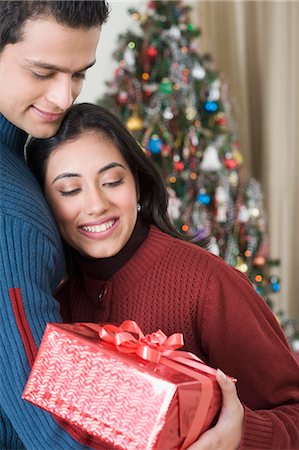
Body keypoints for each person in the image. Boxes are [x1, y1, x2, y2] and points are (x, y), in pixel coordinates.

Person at [27, 103, 299, 450]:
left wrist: (238, 437)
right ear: (45, 204)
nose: (95, 204)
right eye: (70, 190)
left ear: (137, 185)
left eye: (112, 181)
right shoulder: (54, 304)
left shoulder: (206, 282)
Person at [0, 2, 113, 449]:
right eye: (43, 73)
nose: (65, 98)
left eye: (79, 73)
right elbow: (49, 411)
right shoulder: (11, 214)